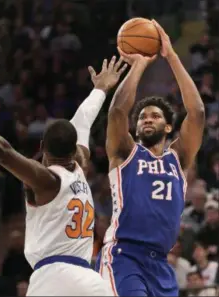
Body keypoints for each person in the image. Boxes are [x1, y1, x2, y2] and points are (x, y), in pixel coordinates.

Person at [0, 56, 127, 296]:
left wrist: (100, 89)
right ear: (74, 149)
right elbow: (83, 121)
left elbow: (3, 152)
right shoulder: (81, 166)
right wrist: (100, 89)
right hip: (91, 281)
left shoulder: (47, 181)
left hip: (52, 279)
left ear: (42, 146)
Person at [96, 20, 205, 296]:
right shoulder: (125, 154)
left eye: (155, 116)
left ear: (168, 127)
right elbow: (118, 112)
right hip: (124, 256)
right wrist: (139, 66)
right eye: (143, 116)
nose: (147, 119)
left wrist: (172, 57)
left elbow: (198, 112)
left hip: (161, 263)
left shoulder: (177, 159)